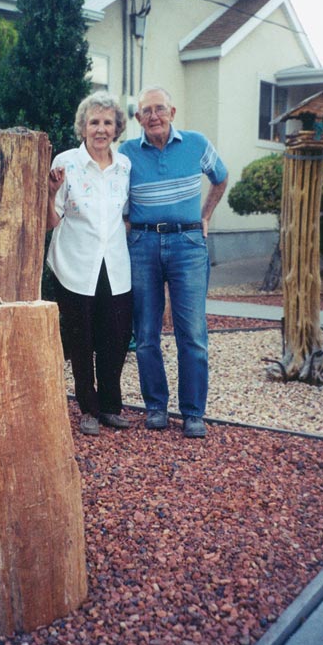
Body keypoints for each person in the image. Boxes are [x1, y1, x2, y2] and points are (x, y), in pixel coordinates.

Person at [119, 86, 228, 438]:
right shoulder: (127, 153)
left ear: (172, 112)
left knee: (192, 334)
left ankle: (193, 412)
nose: (154, 116)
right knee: (147, 333)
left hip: (188, 244)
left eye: (160, 109)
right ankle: (155, 407)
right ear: (137, 118)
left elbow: (221, 176)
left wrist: (206, 215)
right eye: (146, 111)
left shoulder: (196, 143)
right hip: (143, 243)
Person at [46, 91, 132, 436]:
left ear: (116, 128)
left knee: (116, 336)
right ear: (83, 126)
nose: (100, 129)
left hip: (115, 265)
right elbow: (51, 221)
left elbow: (126, 214)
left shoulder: (124, 166)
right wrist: (49, 191)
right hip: (74, 265)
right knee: (81, 340)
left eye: (107, 122)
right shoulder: (65, 163)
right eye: (94, 122)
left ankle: (111, 406)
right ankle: (88, 409)